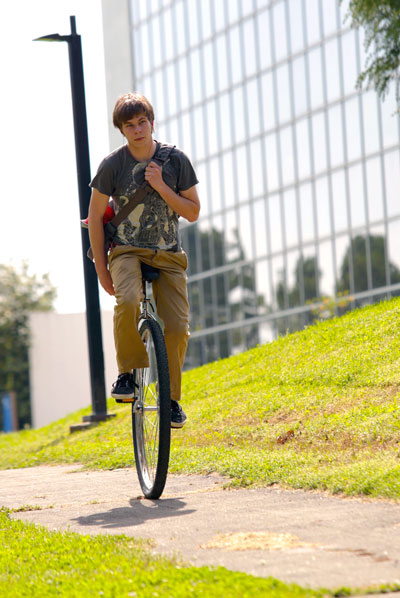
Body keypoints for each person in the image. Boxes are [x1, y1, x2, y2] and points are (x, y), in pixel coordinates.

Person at [88, 93, 200, 428]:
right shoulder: (112, 165)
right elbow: (95, 218)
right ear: (121, 130)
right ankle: (127, 375)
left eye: (142, 122)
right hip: (126, 252)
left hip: (168, 254)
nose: (137, 129)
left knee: (178, 328)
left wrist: (162, 186)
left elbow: (193, 212)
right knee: (129, 300)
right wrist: (101, 271)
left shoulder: (175, 161)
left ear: (151, 121)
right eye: (130, 125)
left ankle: (172, 400)